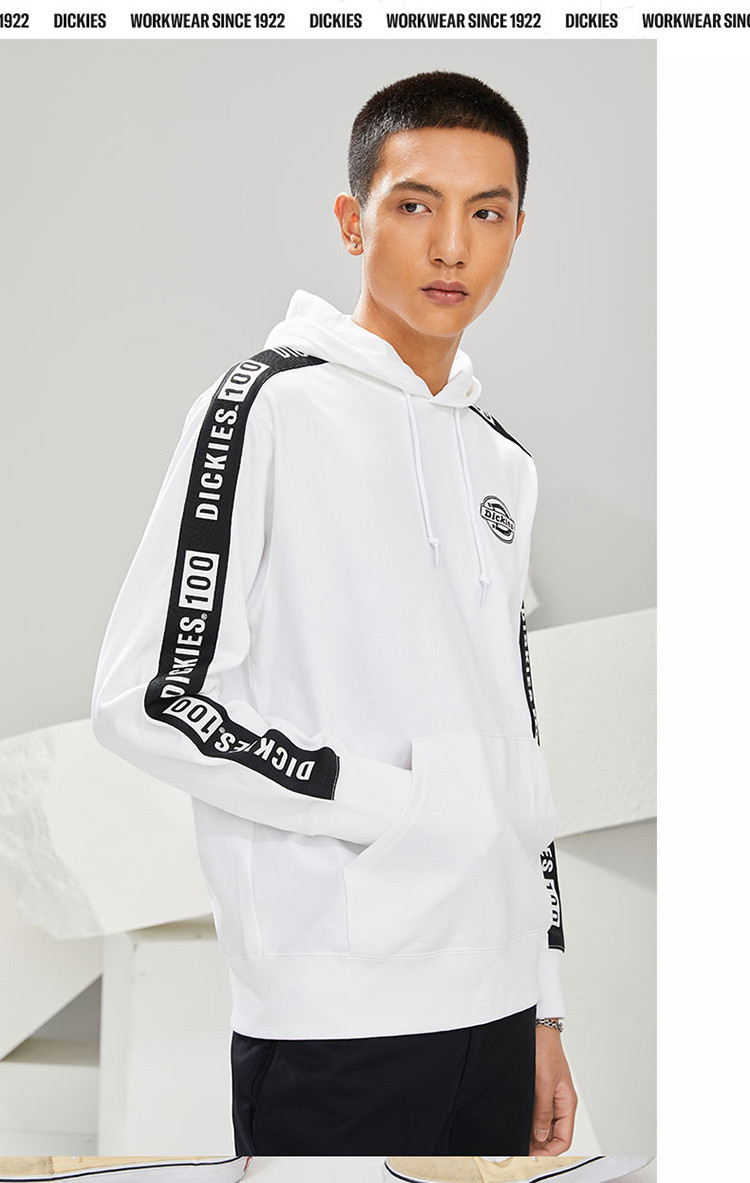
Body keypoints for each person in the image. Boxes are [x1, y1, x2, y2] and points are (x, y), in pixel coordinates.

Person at [92, 70, 575, 1154]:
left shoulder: (502, 460)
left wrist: (542, 999)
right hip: (336, 1020)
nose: (451, 246)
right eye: (415, 205)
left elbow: (516, 730)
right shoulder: (265, 408)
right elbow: (150, 697)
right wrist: (388, 803)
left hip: (498, 1014)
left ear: (514, 232)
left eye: (486, 212)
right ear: (355, 221)